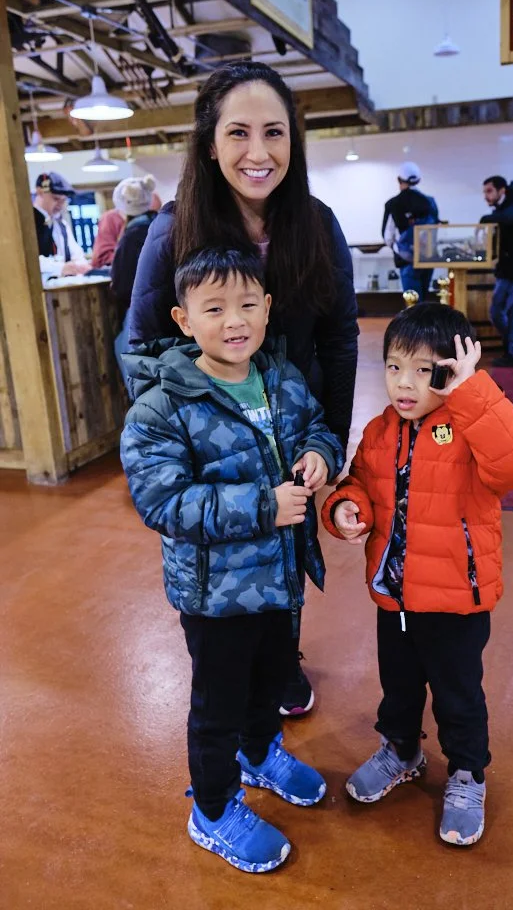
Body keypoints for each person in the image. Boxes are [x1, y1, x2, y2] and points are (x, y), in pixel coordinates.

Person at [127, 61, 358, 716]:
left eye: (274, 133)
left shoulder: (316, 224)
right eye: (238, 133)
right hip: (209, 446)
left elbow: (340, 338)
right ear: (209, 143)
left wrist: (330, 445)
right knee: (222, 568)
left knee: (286, 548)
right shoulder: (172, 230)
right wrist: (174, 439)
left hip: (291, 427)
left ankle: (283, 663)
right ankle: (227, 689)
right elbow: (141, 346)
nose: (259, 152)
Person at [120, 247, 344, 872]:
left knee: (272, 680)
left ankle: (261, 753)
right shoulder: (162, 406)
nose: (235, 320)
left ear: (267, 309)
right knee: (218, 705)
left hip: (281, 577)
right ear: (184, 319)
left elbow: (318, 426)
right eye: (214, 308)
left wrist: (321, 455)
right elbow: (163, 501)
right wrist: (263, 506)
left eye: (247, 304)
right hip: (215, 595)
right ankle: (213, 809)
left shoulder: (281, 376)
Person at [322, 303, 513, 847]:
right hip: (395, 598)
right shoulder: (380, 431)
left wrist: (472, 391)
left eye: (424, 370)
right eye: (395, 367)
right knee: (397, 687)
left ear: (451, 371)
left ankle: (467, 772)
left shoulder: (470, 426)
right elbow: (359, 484)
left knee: (457, 694)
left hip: (456, 602)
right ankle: (401, 750)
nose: (404, 383)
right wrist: (347, 508)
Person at [110, 175, 158, 388]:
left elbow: (122, 285)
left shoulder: (131, 237)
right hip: (167, 308)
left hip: (140, 311)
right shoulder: (160, 226)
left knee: (134, 367)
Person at [480, 176, 513, 368]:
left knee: (498, 311)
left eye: (489, 191)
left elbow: (511, 217)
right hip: (509, 269)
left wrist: (487, 219)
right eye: (485, 192)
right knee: (510, 311)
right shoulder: (506, 207)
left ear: (502, 190)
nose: (486, 196)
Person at [381, 162, 439, 300]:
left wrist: (400, 249)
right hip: (428, 259)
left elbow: (387, 236)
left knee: (412, 303)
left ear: (399, 180)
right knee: (425, 301)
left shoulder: (393, 203)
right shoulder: (430, 202)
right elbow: (435, 229)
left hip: (407, 260)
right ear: (418, 180)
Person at [33, 171, 91, 278]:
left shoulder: (61, 224)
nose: (60, 204)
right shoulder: (28, 222)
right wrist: (60, 268)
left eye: (63, 200)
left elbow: (76, 254)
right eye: (55, 199)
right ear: (40, 192)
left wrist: (79, 265)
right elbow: (28, 259)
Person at [92, 190, 162, 269]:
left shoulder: (154, 227)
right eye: (149, 213)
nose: (151, 218)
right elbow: (101, 258)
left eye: (156, 214)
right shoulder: (111, 219)